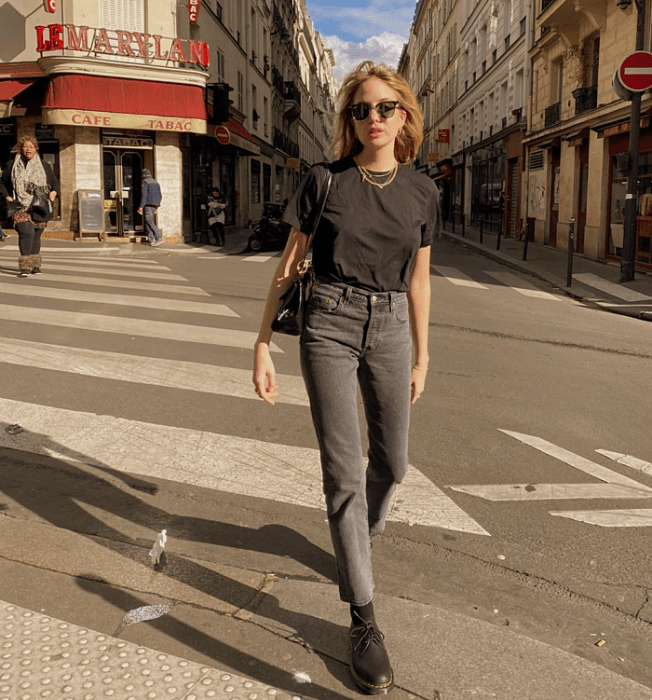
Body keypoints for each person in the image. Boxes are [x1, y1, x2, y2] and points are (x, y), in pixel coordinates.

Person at [253, 61, 439, 694]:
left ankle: (361, 531)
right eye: (361, 110)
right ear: (349, 121)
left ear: (404, 115)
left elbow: (419, 279)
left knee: (394, 464)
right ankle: (362, 617)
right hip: (328, 322)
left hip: (389, 327)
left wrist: (421, 355)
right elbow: (288, 266)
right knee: (344, 469)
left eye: (386, 107)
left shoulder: (422, 190)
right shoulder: (323, 181)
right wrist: (260, 341)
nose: (374, 119)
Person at [0, 136, 59, 276]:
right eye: (25, 146)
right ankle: (25, 267)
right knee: (27, 232)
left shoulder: (44, 165)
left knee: (36, 235)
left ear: (36, 149)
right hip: (20, 205)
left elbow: (55, 183)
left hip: (40, 205)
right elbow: (1, 184)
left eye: (31, 147)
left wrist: (53, 194)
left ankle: (35, 265)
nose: (28, 149)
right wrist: (8, 198)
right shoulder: (11, 165)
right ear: (21, 148)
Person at [137, 168, 163, 246]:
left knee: (149, 221)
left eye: (142, 175)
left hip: (148, 204)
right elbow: (160, 195)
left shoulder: (145, 181)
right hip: (154, 205)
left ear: (144, 174)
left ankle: (158, 238)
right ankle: (151, 239)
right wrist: (157, 206)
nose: (142, 176)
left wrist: (141, 206)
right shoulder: (156, 182)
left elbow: (144, 195)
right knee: (149, 221)